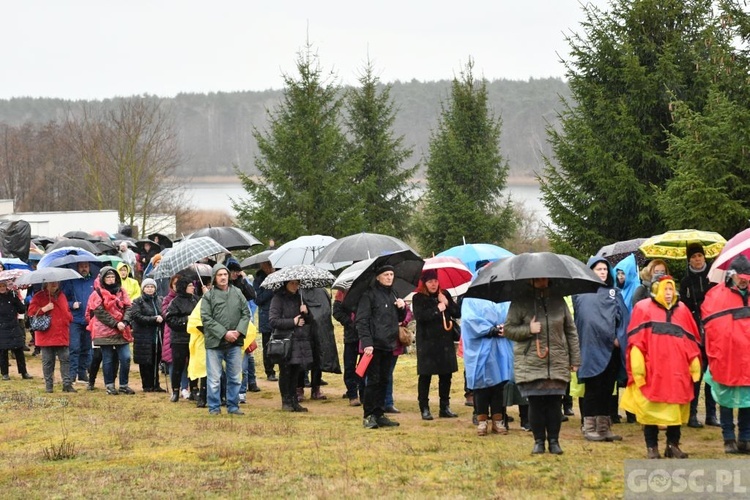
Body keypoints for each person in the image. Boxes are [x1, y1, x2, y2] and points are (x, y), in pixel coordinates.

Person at [621, 275, 702, 459]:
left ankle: (672, 445)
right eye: (665, 289)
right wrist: (638, 367)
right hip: (653, 371)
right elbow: (636, 341)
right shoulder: (643, 308)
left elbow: (691, 341)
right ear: (656, 289)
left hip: (677, 372)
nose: (668, 293)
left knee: (675, 408)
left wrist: (694, 363)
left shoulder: (682, 311)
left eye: (670, 289)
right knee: (650, 409)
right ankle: (652, 447)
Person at [504, 277, 580, 455]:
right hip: (531, 362)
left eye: (545, 278)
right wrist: (528, 330)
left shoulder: (558, 300)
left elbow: (571, 330)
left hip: (557, 360)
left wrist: (575, 359)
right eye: (538, 278)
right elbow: (508, 330)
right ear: (530, 280)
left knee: (555, 403)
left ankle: (554, 440)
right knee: (536, 403)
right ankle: (539, 441)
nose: (542, 281)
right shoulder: (520, 301)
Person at [573, 257, 629, 442]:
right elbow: (586, 321)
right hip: (591, 348)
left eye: (605, 269)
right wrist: (607, 336)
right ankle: (589, 427)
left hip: (611, 350)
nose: (603, 272)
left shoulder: (614, 293)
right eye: (599, 269)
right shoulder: (581, 294)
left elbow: (623, 319)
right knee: (593, 388)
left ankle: (604, 428)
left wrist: (618, 338)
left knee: (607, 389)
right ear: (591, 271)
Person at [702, 254, 750, 454]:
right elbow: (711, 326)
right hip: (726, 355)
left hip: (747, 356)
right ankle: (728, 437)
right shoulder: (715, 295)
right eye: (741, 276)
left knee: (748, 399)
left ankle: (745, 438)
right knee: (726, 398)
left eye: (747, 276)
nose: (744, 280)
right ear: (731, 275)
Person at [356, 265, 406, 429]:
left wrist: (402, 308)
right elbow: (361, 321)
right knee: (373, 381)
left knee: (385, 380)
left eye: (392, 274)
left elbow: (399, 319)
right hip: (374, 345)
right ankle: (368, 415)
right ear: (378, 277)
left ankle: (380, 413)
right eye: (386, 274)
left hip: (389, 344)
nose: (390, 277)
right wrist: (367, 343)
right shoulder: (369, 295)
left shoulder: (393, 294)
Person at [412, 268, 461, 420]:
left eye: (435, 281)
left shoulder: (444, 294)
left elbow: (457, 313)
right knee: (426, 376)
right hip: (427, 342)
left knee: (446, 375)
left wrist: (447, 303)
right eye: (430, 282)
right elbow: (420, 317)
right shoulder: (418, 298)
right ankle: (424, 407)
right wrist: (437, 309)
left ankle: (444, 406)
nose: (433, 284)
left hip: (444, 342)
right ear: (424, 283)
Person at [201, 264, 249, 415]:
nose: (223, 277)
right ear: (214, 278)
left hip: (235, 342)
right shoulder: (208, 296)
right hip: (215, 343)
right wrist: (224, 333)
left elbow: (246, 313)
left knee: (235, 377)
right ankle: (214, 407)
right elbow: (206, 319)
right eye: (219, 275)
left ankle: (233, 406)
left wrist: (238, 332)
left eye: (225, 274)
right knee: (214, 378)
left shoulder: (238, 292)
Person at [462, 295, 514, 436]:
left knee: (499, 386)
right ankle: (482, 421)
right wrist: (490, 329)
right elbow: (468, 320)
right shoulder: (471, 298)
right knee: (481, 386)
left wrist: (506, 327)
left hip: (500, 347)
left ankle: (498, 420)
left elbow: (512, 314)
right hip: (480, 348)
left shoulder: (504, 297)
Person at [680, 242, 718, 428]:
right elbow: (683, 306)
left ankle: (711, 414)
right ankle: (692, 413)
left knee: (712, 372)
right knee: (696, 371)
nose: (697, 259)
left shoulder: (713, 276)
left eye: (699, 256)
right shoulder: (686, 281)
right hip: (695, 330)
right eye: (693, 257)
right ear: (689, 259)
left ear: (704, 257)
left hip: (713, 328)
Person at [86, 266, 134, 395]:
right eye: (108, 277)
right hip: (104, 330)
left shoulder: (122, 291)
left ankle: (124, 384)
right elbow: (99, 312)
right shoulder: (97, 293)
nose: (111, 279)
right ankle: (110, 385)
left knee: (126, 357)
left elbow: (129, 307)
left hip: (122, 329)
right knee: (107, 359)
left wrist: (124, 322)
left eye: (113, 277)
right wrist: (115, 323)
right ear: (103, 278)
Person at [269, 280, 314, 412]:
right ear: (286, 283)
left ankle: (294, 400)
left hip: (299, 340)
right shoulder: (278, 298)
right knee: (285, 371)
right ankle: (286, 401)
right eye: (292, 283)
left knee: (296, 371)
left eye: (297, 283)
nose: (295, 286)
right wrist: (292, 321)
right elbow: (273, 320)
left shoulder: (300, 297)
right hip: (285, 341)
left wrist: (306, 312)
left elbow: (309, 320)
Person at [29, 281, 74, 392]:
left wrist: (68, 318)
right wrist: (44, 309)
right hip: (46, 335)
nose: (54, 284)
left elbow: (66, 310)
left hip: (62, 333)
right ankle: (49, 386)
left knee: (65, 360)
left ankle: (67, 385)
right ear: (46, 284)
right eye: (51, 282)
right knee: (48, 362)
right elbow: (31, 312)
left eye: (56, 282)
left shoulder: (62, 295)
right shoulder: (38, 296)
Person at [226, 258, 259, 402]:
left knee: (246, 355)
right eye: (232, 272)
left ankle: (243, 389)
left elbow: (253, 295)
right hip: (228, 321)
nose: (234, 274)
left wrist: (244, 281)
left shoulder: (241, 282)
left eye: (237, 272)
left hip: (244, 319)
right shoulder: (224, 284)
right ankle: (231, 389)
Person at [61, 261, 96, 384]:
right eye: (81, 266)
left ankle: (82, 373)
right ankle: (72, 374)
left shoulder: (94, 282)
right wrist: (72, 304)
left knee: (86, 348)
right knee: (74, 347)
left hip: (89, 320)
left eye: (86, 266)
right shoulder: (71, 281)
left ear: (89, 267)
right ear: (77, 268)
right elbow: (63, 299)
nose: (84, 269)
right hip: (75, 319)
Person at [128, 278, 165, 392]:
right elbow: (137, 317)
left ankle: (156, 384)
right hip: (143, 336)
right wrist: (153, 319)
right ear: (143, 288)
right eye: (147, 287)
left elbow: (163, 312)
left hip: (157, 335)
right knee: (145, 362)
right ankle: (147, 385)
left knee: (156, 359)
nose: (150, 289)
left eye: (152, 287)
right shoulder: (137, 301)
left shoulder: (159, 300)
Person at [165, 274, 198, 402]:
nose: (192, 288)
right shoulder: (175, 302)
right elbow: (171, 320)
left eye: (192, 285)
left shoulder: (196, 300)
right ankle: (175, 391)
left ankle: (194, 389)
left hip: (194, 337)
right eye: (190, 286)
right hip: (179, 339)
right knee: (178, 366)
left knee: (193, 365)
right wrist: (186, 320)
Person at [333, 289, 362, 406]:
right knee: (350, 366)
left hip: (366, 335)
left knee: (363, 366)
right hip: (351, 336)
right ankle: (352, 394)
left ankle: (363, 392)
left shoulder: (368, 289)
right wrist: (350, 322)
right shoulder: (343, 291)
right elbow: (336, 311)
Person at [0, 281, 32, 381]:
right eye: (0, 286)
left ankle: (24, 372)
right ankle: (5, 373)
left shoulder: (12, 295)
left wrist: (16, 299)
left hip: (14, 325)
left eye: (4, 285)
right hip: (1, 327)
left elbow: (22, 310)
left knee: (19, 350)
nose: (2, 288)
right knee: (3, 351)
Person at [253, 260, 277, 381]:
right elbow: (258, 299)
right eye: (266, 265)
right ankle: (270, 371)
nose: (269, 268)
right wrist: (270, 287)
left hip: (280, 314)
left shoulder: (280, 275)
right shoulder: (258, 280)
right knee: (267, 345)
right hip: (266, 316)